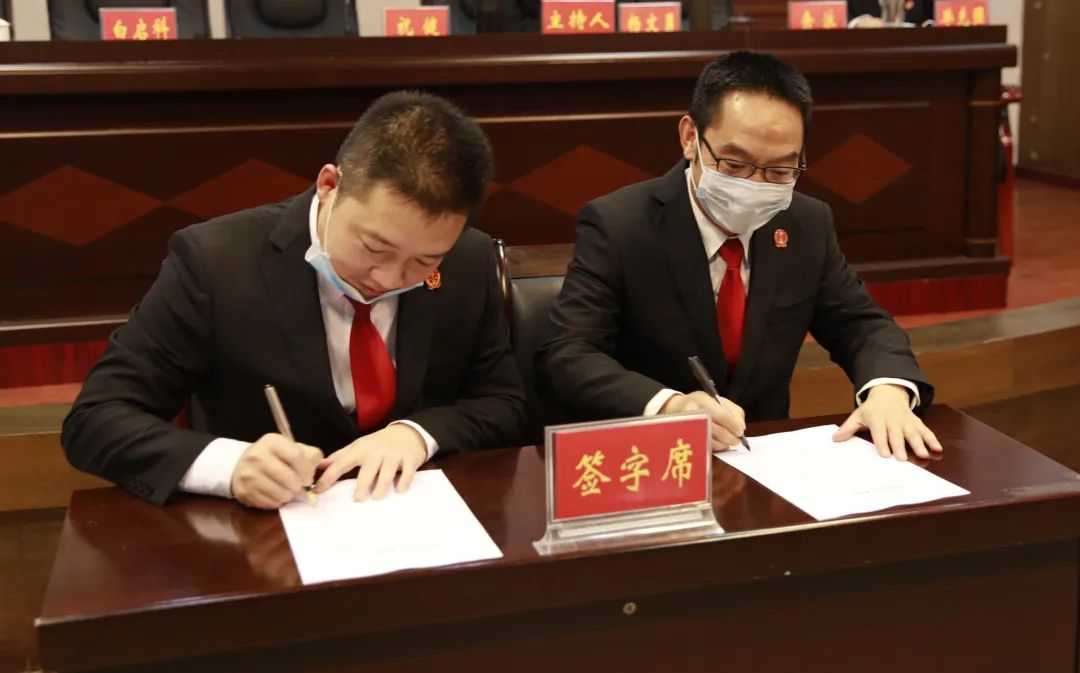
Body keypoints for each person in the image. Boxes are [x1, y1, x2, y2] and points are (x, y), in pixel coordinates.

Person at [62, 91, 526, 509]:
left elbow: (502, 401)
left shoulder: (469, 260)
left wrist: (418, 435)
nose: (387, 279)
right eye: (374, 247)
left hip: (414, 520)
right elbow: (96, 420)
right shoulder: (216, 264)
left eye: (424, 260)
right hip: (267, 530)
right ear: (329, 185)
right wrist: (230, 466)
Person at [535, 51, 941, 461]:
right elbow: (568, 354)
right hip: (647, 458)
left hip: (762, 457)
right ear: (690, 138)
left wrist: (888, 389)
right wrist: (670, 405)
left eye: (780, 171)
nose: (755, 185)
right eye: (734, 165)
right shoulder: (620, 224)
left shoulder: (805, 223)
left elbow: (860, 324)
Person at [848, 0, 935, 28]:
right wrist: (856, 22)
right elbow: (843, 14)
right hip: (868, 53)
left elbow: (935, 16)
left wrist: (930, 26)